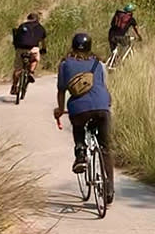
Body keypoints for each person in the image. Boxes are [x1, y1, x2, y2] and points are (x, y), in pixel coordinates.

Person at [53, 33, 114, 202]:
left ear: (72, 46)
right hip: (102, 106)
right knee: (105, 148)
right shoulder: (99, 64)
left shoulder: (65, 64)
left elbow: (61, 90)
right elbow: (104, 86)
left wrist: (60, 109)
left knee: (78, 125)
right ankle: (109, 190)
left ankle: (80, 152)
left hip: (79, 109)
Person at [11, 12, 46, 95]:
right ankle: (31, 72)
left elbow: (16, 39)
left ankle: (14, 86)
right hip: (32, 49)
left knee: (17, 69)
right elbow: (43, 41)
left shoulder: (22, 26)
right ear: (37, 19)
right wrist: (44, 49)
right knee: (35, 59)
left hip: (20, 49)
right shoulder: (40, 28)